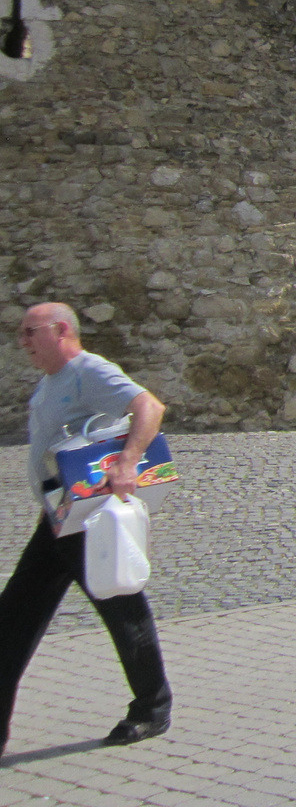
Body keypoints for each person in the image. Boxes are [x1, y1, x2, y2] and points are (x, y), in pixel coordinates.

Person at [2, 303, 173, 756]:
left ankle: (153, 710)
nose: (22, 342)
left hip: (89, 518)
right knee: (11, 621)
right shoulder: (50, 382)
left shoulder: (89, 371)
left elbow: (148, 406)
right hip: (58, 519)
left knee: (123, 611)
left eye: (29, 332)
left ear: (61, 330)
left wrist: (128, 462)